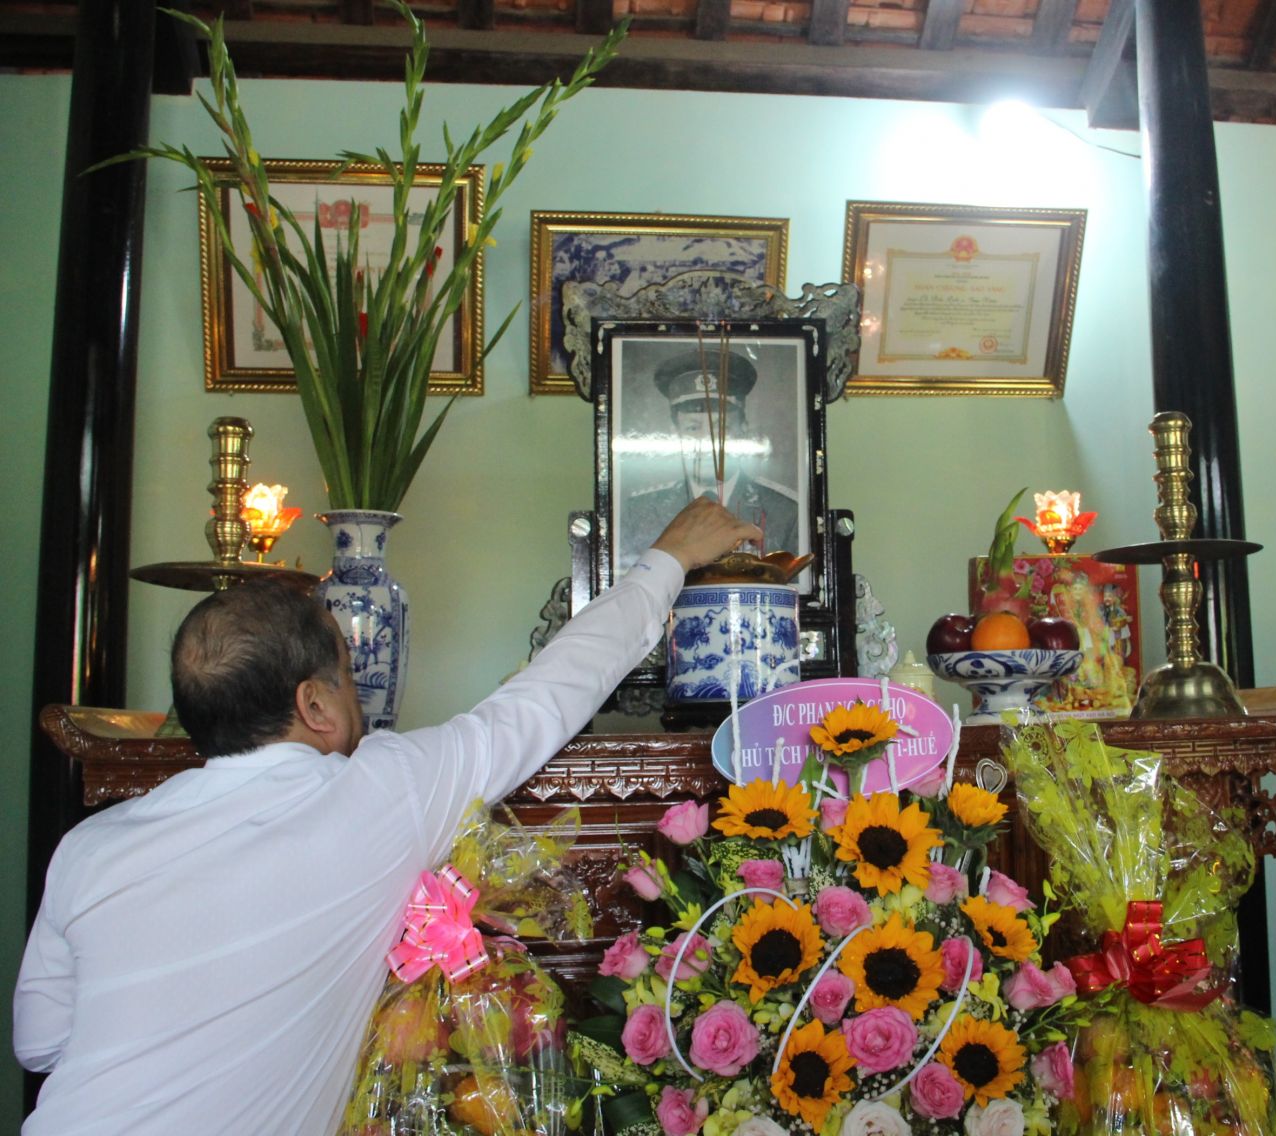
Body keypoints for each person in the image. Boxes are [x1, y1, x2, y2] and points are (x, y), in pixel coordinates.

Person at [13, 498, 760, 1135]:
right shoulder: (376, 795)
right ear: (314, 704)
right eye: (347, 675)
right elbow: (544, 699)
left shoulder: (90, 846)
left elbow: (39, 1042)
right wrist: (668, 559)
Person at [618, 349, 800, 574]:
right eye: (693, 428)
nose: (706, 443)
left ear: (743, 429)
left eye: (720, 428)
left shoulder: (785, 513)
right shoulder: (640, 512)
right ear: (674, 432)